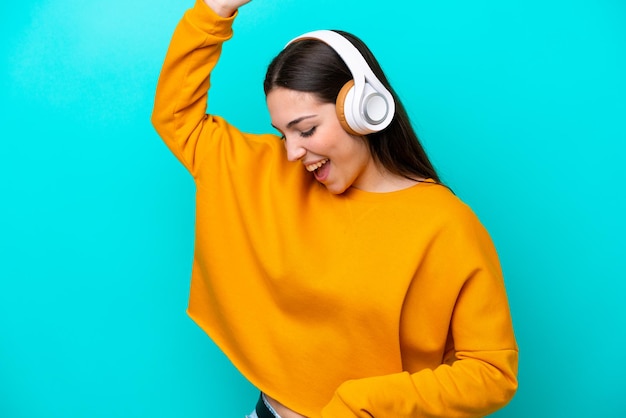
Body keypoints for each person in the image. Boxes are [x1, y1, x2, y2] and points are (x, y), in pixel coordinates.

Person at [151, 0, 519, 416]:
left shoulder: (445, 225)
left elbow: (490, 371)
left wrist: (360, 404)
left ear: (363, 110)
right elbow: (176, 118)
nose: (292, 151)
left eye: (306, 129)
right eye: (283, 133)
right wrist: (213, 10)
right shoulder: (266, 170)